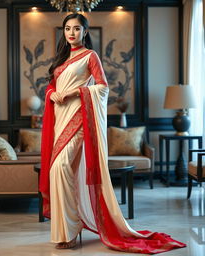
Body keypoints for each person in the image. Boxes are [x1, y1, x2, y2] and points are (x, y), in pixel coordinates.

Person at [39, 13, 186, 253]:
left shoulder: (90, 56)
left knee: (61, 167)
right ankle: (67, 228)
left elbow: (102, 87)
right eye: (67, 28)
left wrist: (76, 93)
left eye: (77, 29)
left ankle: (72, 225)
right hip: (59, 119)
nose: (71, 33)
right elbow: (53, 84)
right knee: (60, 171)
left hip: (78, 118)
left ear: (85, 32)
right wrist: (51, 93)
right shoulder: (61, 59)